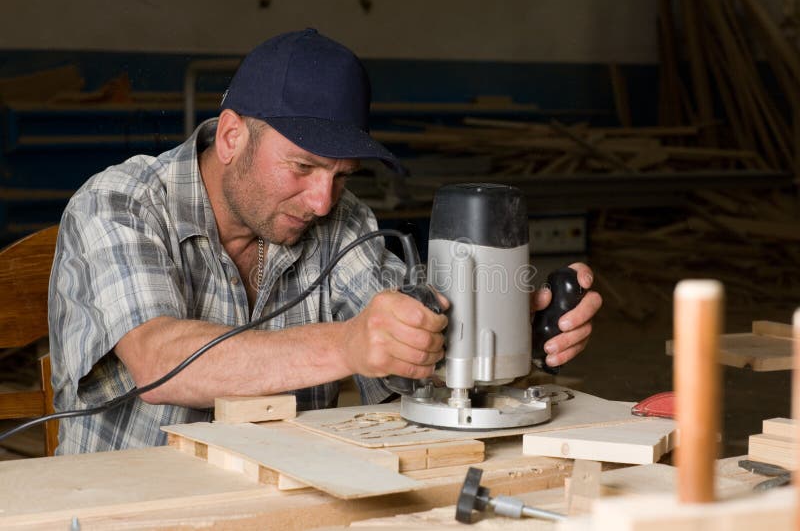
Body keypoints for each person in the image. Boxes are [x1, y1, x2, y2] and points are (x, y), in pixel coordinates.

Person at [48, 29, 603, 454]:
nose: (321, 201)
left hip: (286, 495)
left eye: (341, 175)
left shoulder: (341, 218)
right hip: (128, 502)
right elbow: (162, 362)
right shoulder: (120, 202)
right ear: (232, 135)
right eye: (302, 167)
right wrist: (346, 344)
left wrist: (502, 334)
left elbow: (401, 349)